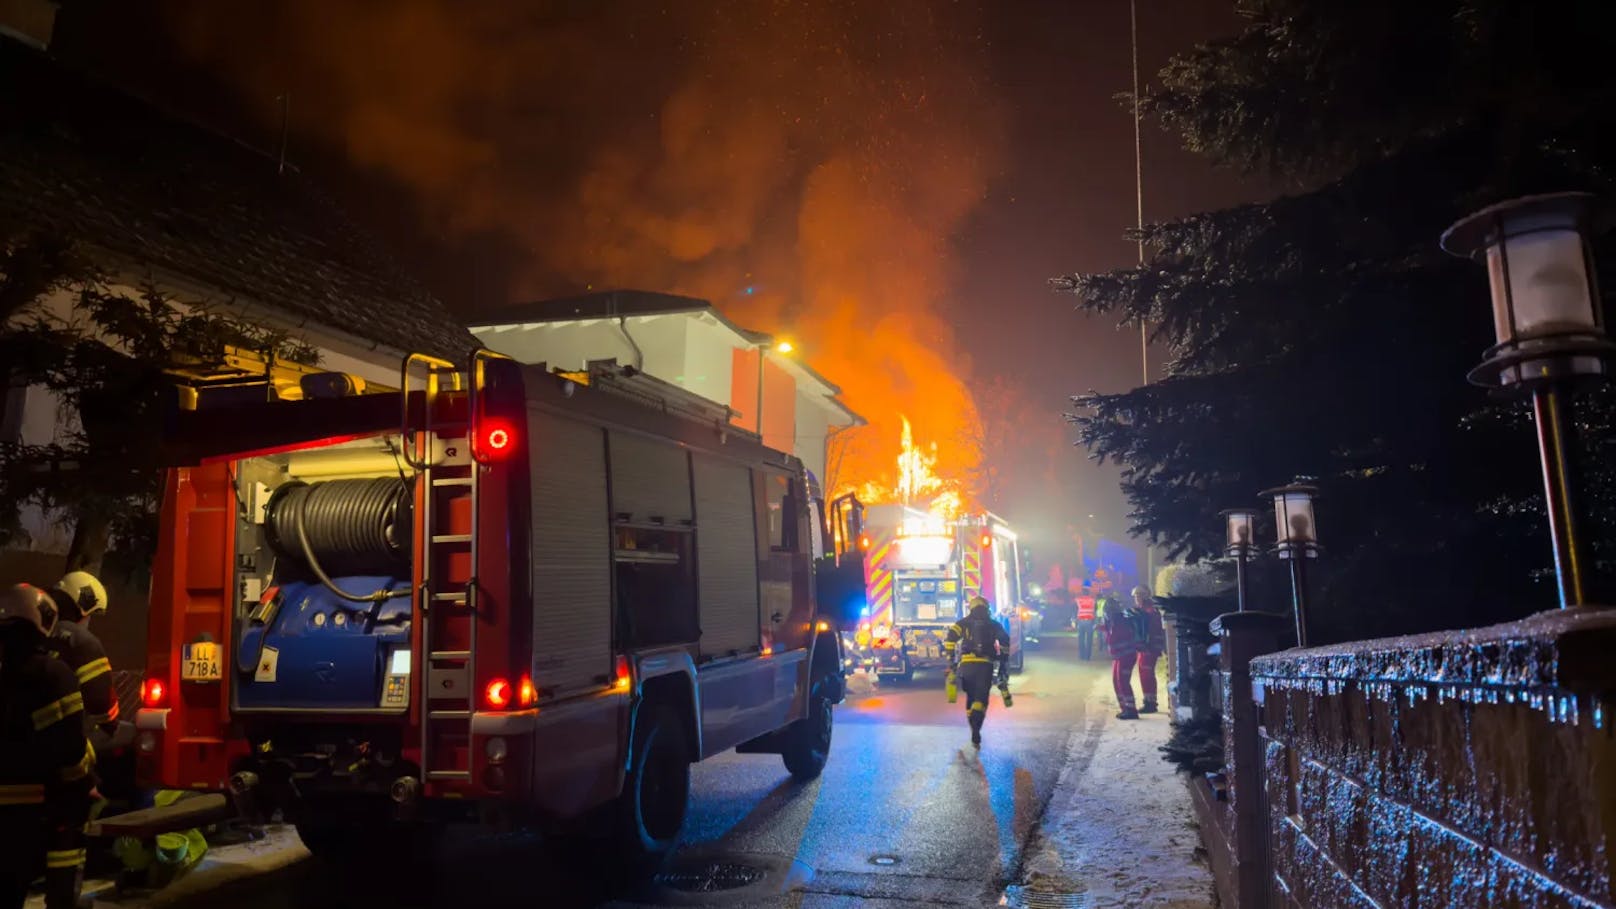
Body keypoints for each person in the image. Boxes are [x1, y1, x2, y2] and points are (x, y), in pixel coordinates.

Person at [1, 583, 97, 909]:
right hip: (42, 806)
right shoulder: (53, 675)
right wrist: (88, 783)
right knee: (69, 835)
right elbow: (70, 751)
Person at [943, 596, 1011, 748]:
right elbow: (1005, 641)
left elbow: (951, 638)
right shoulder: (994, 624)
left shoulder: (962, 623)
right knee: (981, 699)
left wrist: (951, 661)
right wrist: (1003, 661)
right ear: (987, 609)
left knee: (971, 696)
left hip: (966, 666)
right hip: (985, 666)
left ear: (971, 608)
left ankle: (973, 726)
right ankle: (976, 729)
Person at [1131, 586, 1167, 714]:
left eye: (1138, 596)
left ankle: (1150, 703)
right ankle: (1149, 701)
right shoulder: (1145, 610)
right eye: (1135, 596)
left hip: (1149, 648)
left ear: (1144, 596)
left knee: (1147, 675)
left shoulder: (1149, 611)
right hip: (1146, 648)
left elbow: (1151, 631)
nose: (1136, 599)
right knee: (1145, 674)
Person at [1074, 585, 1098, 661]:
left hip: (1081, 621)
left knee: (1081, 639)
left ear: (1082, 593)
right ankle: (1088, 656)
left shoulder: (1078, 600)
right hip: (1089, 621)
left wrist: (1075, 621)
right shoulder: (1093, 600)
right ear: (1088, 593)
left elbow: (1075, 610)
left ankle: (1082, 656)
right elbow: (1095, 611)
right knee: (1089, 640)